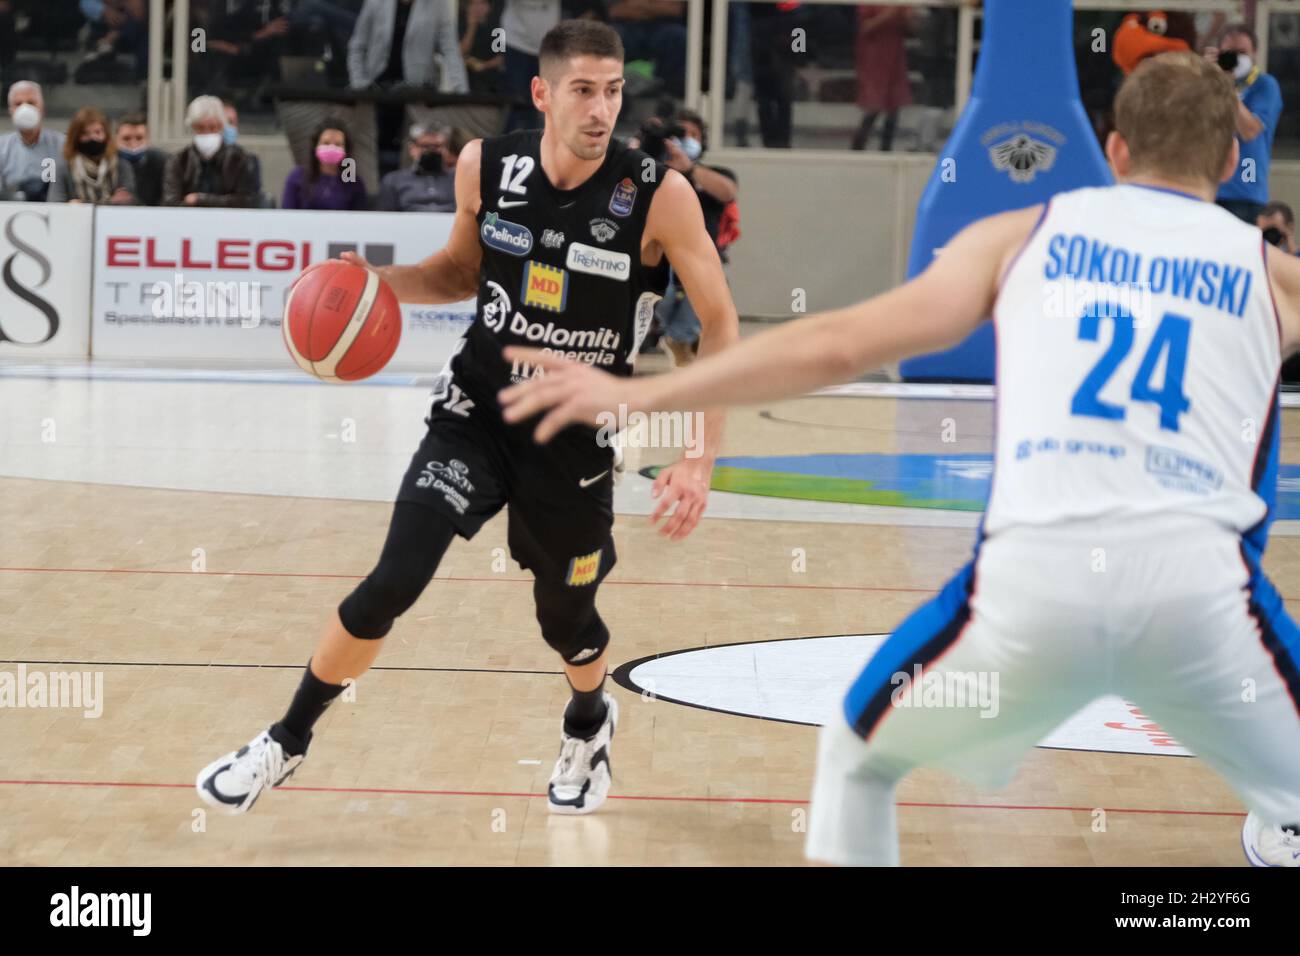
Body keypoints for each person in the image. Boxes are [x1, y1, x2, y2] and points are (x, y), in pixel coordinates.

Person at [498, 51, 1300, 867]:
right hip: (1205, 602)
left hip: (1031, 594)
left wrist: (641, 397)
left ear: (1115, 149)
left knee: (860, 754)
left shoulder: (1022, 236)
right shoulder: (1276, 277)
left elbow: (837, 343)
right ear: (1235, 162)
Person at [196, 19, 740, 817]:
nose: (600, 110)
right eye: (583, 91)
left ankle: (588, 722)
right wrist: (378, 282)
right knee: (391, 582)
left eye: (613, 92)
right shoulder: (487, 166)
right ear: (542, 93)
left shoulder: (659, 195)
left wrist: (699, 459)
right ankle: (286, 740)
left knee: (568, 620)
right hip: (476, 413)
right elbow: (456, 271)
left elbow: (722, 326)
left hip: (574, 435)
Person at [640, 110, 739, 365]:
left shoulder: (712, 173)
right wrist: (644, 148)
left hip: (698, 260)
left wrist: (689, 169)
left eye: (692, 135)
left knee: (702, 285)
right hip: (654, 258)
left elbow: (727, 192)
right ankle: (678, 337)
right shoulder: (649, 170)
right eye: (679, 134)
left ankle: (681, 338)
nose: (685, 140)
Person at [1205, 24, 1282, 224]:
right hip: (1207, 188)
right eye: (1229, 53)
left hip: (1246, 191)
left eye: (1242, 52)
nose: (1235, 59)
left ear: (1254, 54)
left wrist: (1227, 85)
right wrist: (1202, 75)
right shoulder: (1207, 85)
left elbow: (1249, 130)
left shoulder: (1265, 85)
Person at [348, 0, 469, 91]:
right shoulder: (375, 3)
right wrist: (359, 83)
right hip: (377, 87)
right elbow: (357, 46)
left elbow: (451, 51)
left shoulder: (438, 5)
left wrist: (460, 90)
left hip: (418, 90)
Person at [162, 95, 259, 207]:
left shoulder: (241, 160)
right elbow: (170, 203)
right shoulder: (178, 161)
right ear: (193, 127)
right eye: (201, 128)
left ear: (222, 126)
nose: (207, 132)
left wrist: (200, 200)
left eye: (213, 127)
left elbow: (247, 201)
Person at [851, 4, 913, 152]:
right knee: (874, 104)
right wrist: (888, 15)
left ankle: (886, 148)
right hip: (874, 55)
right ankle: (857, 147)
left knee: (894, 105)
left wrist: (910, 18)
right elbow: (864, 28)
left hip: (895, 55)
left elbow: (911, 30)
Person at [47, 106, 136, 204]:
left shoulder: (122, 166)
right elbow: (54, 204)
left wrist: (83, 205)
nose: (93, 137)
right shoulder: (63, 168)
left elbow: (128, 203)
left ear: (106, 135)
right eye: (85, 133)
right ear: (76, 137)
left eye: (98, 132)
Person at [606, 0, 687, 99]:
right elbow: (614, 10)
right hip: (625, 26)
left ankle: (667, 98)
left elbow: (674, 9)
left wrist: (636, 4)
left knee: (679, 38)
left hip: (664, 27)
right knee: (605, 38)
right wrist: (655, 7)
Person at [282, 119, 368, 210]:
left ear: (346, 150)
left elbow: (359, 219)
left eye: (338, 144)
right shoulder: (297, 177)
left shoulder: (355, 183)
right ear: (315, 146)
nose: (331, 147)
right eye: (326, 143)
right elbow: (287, 214)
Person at [0, 81, 65, 202]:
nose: (24, 109)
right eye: (18, 104)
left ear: (42, 108)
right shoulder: (1, 147)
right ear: (10, 111)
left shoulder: (63, 145)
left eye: (31, 103)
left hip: (54, 211)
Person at [501, 0, 560, 131]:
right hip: (516, 40)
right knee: (514, 95)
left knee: (540, 95)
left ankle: (534, 140)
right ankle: (508, 139)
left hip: (546, 42)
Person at [376, 125, 461, 212]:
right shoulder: (394, 180)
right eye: (426, 146)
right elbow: (384, 215)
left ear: (445, 149)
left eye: (437, 146)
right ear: (413, 149)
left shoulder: (458, 179)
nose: (432, 150)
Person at [114, 112, 168, 206]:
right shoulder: (107, 164)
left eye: (139, 138)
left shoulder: (163, 162)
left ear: (147, 139)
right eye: (126, 139)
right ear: (116, 139)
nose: (133, 144)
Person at [460, 0, 505, 93]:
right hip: (466, 74)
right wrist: (472, 26)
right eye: (473, 4)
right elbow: (461, 52)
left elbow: (501, 57)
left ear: (489, 7)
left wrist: (484, 66)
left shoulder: (497, 27)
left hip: (491, 74)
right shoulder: (460, 24)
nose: (477, 8)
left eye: (482, 3)